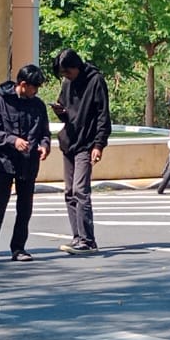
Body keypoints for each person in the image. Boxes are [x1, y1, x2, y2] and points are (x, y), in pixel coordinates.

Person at [0, 65, 50, 262]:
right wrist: (13, 140)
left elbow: (44, 132)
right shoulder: (0, 100)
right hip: (5, 163)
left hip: (28, 164)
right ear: (23, 84)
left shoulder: (38, 105)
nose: (36, 91)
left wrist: (44, 145)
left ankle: (18, 248)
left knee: (25, 208)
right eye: (34, 87)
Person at [51, 49, 111, 256]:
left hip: (87, 143)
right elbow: (68, 113)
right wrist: (61, 113)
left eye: (68, 72)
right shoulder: (67, 84)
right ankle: (77, 236)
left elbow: (103, 115)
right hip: (69, 141)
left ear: (76, 66)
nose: (66, 77)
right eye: (63, 74)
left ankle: (88, 240)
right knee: (69, 191)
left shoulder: (96, 81)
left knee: (80, 190)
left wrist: (99, 144)